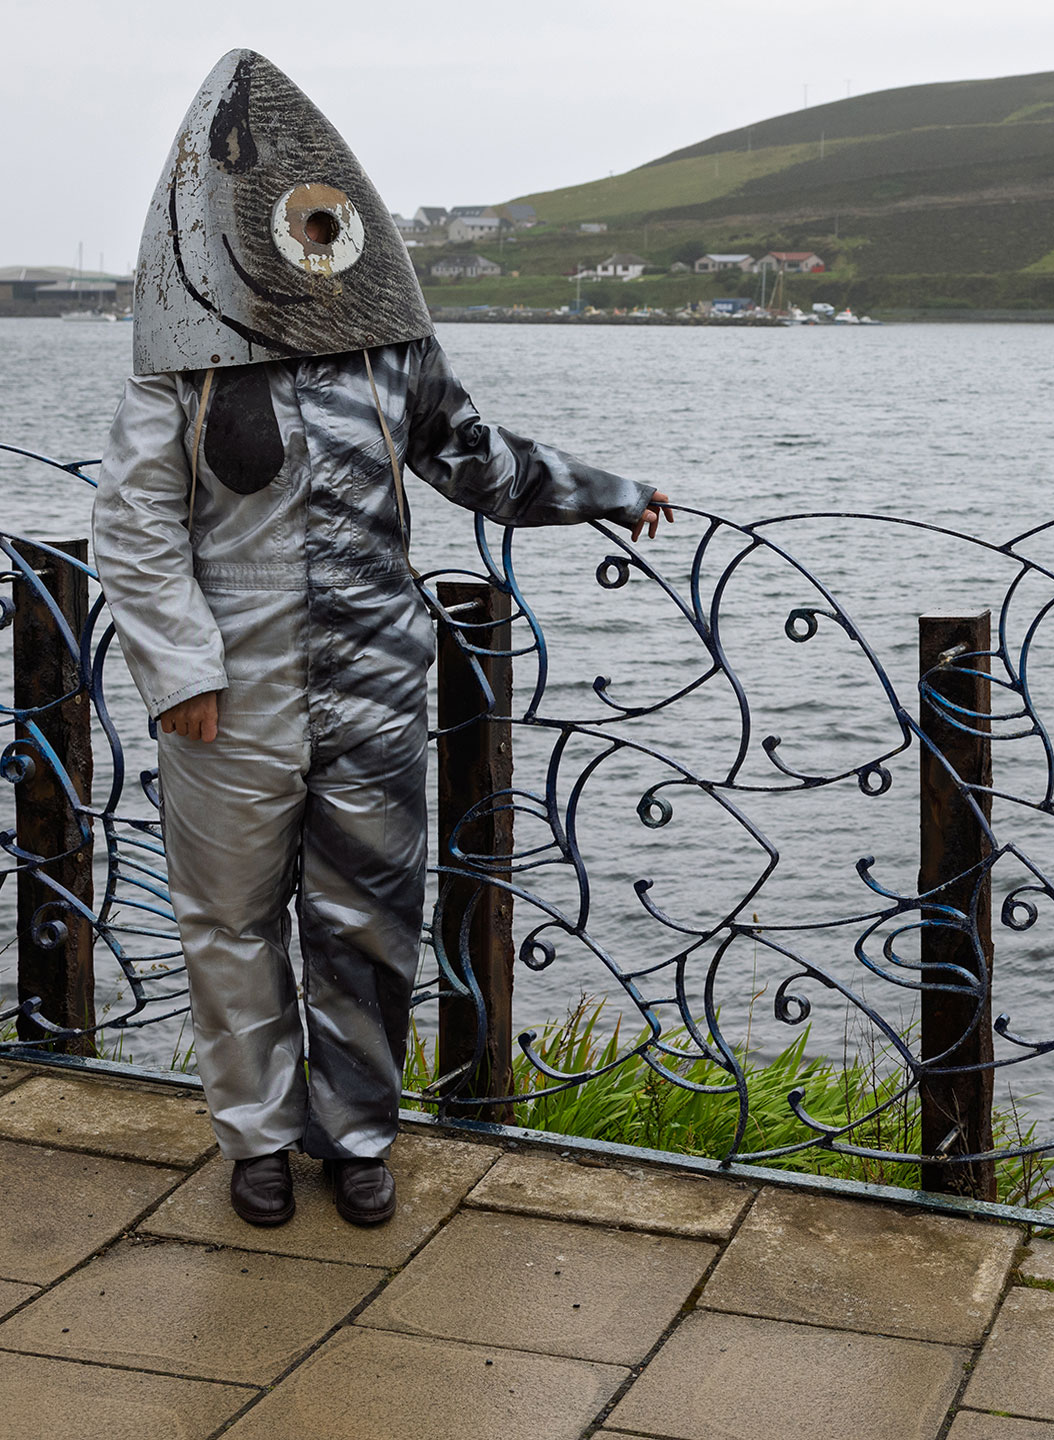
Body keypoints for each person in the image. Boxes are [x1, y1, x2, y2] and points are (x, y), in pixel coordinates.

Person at [91, 49, 673, 1228]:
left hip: (376, 675)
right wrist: (181, 668)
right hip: (231, 687)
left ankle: (355, 1136)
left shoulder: (392, 354)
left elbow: (481, 464)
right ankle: (256, 1136)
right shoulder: (177, 372)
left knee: (368, 916)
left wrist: (610, 492)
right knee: (229, 919)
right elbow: (134, 525)